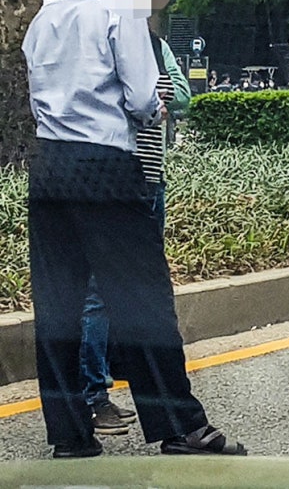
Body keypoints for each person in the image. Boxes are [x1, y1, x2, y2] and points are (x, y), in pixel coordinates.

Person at [21, 0, 246, 459]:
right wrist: (149, 110)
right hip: (106, 164)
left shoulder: (46, 15)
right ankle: (181, 427)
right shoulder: (121, 8)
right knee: (142, 298)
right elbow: (145, 98)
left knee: (58, 303)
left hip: (48, 165)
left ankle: (69, 435)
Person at [78, 28, 191, 436]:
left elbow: (182, 96)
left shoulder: (156, 45)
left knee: (136, 290)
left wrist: (151, 95)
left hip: (151, 180)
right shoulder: (104, 42)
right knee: (99, 292)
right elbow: (133, 102)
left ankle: (108, 386)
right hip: (119, 179)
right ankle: (93, 396)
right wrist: (148, 99)